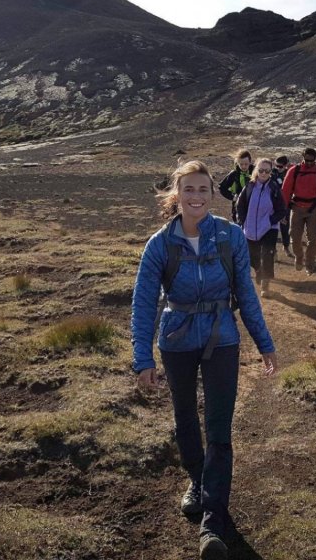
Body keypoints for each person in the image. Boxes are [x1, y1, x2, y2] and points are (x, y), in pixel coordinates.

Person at [131, 160, 277, 559]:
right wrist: (142, 359)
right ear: (176, 195)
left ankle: (213, 518)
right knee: (185, 418)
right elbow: (144, 303)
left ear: (213, 194)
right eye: (188, 190)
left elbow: (245, 294)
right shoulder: (159, 245)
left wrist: (264, 343)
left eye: (203, 190)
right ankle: (197, 481)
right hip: (176, 341)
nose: (196, 197)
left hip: (223, 339)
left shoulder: (229, 237)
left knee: (219, 424)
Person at [236, 158, 288, 296]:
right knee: (252, 255)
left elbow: (282, 209)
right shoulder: (249, 186)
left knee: (267, 254)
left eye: (267, 171)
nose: (264, 173)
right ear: (256, 171)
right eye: (261, 170)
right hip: (250, 227)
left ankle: (265, 285)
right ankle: (258, 270)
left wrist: (270, 221)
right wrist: (242, 220)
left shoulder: (274, 188)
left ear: (271, 172)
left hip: (269, 228)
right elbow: (240, 205)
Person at [281, 147, 316, 274]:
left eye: (312, 161)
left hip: (313, 209)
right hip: (297, 208)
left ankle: (309, 264)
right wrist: (282, 212)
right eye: (307, 160)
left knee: (312, 239)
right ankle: (299, 257)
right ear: (302, 158)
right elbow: (285, 192)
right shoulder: (294, 171)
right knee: (294, 236)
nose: (309, 163)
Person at [218, 149, 254, 224]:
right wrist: (232, 197)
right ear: (237, 163)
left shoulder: (256, 172)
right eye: (241, 164)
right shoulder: (234, 174)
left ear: (250, 162)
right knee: (239, 226)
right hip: (238, 206)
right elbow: (222, 187)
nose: (243, 166)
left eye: (246, 164)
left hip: (254, 205)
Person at [271, 155, 294, 257]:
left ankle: (286, 246)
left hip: (285, 204)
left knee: (285, 227)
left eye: (280, 166)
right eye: (276, 165)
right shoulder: (271, 173)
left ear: (286, 165)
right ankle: (273, 249)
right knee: (273, 227)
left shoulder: (289, 174)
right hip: (273, 204)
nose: (277, 168)